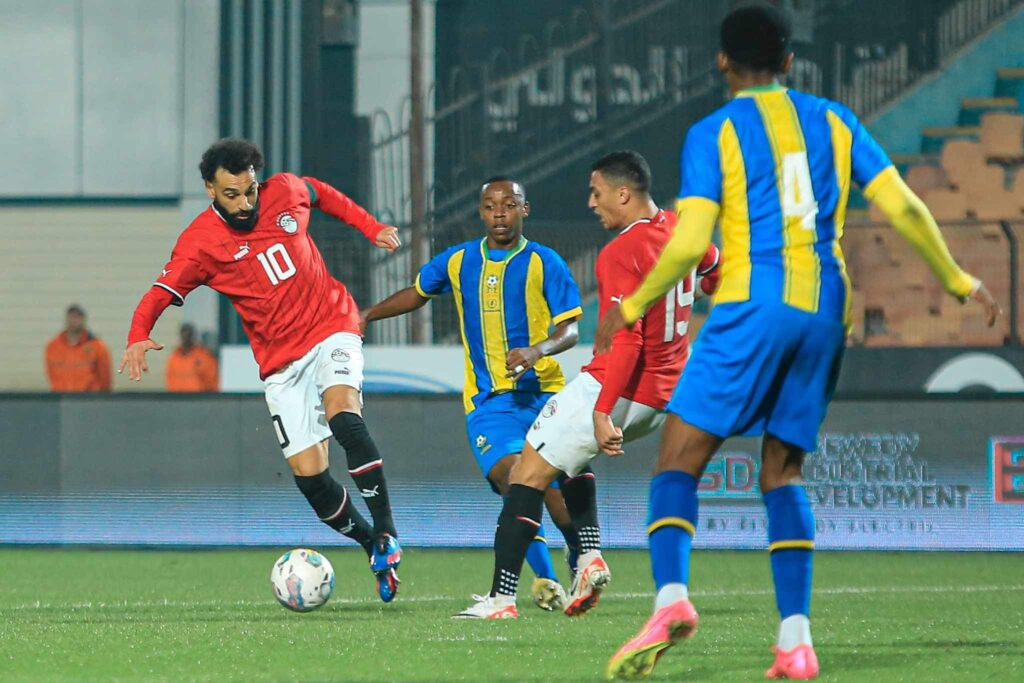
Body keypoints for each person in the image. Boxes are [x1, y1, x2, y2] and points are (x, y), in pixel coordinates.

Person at [598, 6, 1001, 680]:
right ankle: (795, 642)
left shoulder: (714, 131)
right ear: (789, 62)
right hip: (826, 309)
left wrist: (634, 305)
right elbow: (901, 203)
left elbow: (691, 243)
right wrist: (957, 279)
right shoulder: (835, 121)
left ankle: (670, 600)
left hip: (754, 303)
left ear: (722, 62)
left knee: (677, 460)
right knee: (782, 471)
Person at [119, 138, 408, 602]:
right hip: (281, 364)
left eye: (250, 191)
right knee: (312, 479)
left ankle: (388, 530)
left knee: (345, 417)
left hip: (332, 325)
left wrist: (370, 227)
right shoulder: (199, 243)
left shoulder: (284, 191)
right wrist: (138, 334)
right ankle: (371, 543)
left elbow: (320, 192)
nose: (244, 203)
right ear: (210, 190)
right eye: (231, 194)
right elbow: (159, 293)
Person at [454, 152, 720, 620]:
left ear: (623, 193)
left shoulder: (620, 251)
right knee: (569, 460)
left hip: (616, 387)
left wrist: (601, 410)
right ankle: (588, 558)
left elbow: (628, 340)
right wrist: (699, 292)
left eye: (597, 193)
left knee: (527, 475)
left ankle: (501, 600)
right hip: (664, 396)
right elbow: (715, 269)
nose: (591, 203)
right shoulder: (682, 230)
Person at [361, 177, 586, 612]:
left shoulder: (545, 262)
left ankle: (579, 551)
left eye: (509, 204)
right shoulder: (459, 260)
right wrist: (367, 314)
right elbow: (418, 293)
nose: (499, 212)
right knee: (514, 479)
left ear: (525, 209)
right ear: (481, 213)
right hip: (489, 404)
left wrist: (537, 350)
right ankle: (545, 578)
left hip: (544, 396)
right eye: (490, 205)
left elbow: (571, 329)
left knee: (552, 491)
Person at [45, 304, 112, 392]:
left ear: (84, 319)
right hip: (62, 396)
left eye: (77, 317)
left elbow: (105, 378)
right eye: (71, 316)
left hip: (88, 397)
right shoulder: (53, 347)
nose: (74, 320)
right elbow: (51, 374)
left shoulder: (97, 347)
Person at [165, 323, 219, 392]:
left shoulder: (204, 356)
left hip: (198, 397)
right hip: (178, 397)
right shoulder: (174, 357)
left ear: (193, 337)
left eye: (188, 336)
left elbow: (212, 380)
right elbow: (170, 378)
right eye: (183, 336)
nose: (185, 339)